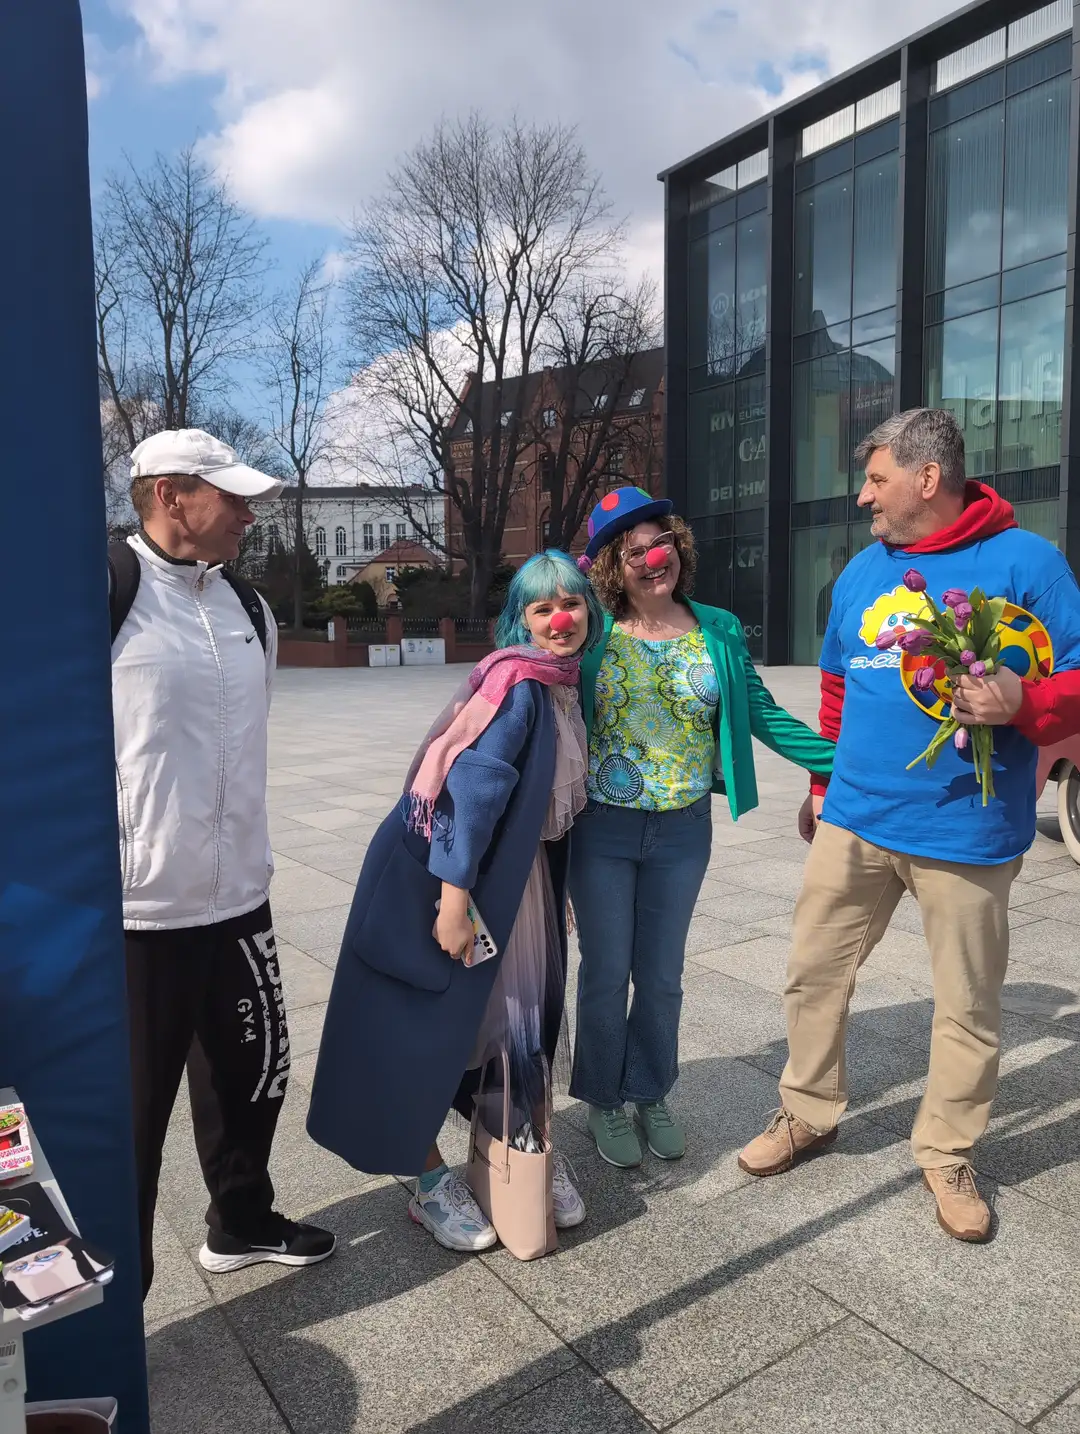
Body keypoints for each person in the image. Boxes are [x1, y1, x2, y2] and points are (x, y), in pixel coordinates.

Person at [738, 408, 1080, 1242]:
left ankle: (947, 1151)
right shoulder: (863, 570)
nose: (863, 496)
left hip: (966, 833)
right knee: (813, 973)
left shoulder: (1027, 562)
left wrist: (1023, 700)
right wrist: (822, 783)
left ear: (928, 479)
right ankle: (808, 1111)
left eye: (876, 479)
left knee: (967, 1004)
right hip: (856, 819)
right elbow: (836, 686)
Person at [307, 550, 605, 1253]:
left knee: (511, 1024)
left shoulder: (563, 684)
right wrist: (453, 900)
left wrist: (550, 893)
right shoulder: (521, 686)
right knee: (425, 1027)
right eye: (542, 608)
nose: (560, 619)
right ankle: (429, 1177)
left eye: (571, 603)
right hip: (449, 875)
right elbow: (472, 793)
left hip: (513, 879)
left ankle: (521, 1152)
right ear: (521, 620)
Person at [112, 427, 336, 1295]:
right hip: (138, 910)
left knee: (253, 1076)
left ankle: (241, 1223)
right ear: (170, 495)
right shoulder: (106, 589)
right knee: (131, 1118)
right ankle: (120, 1300)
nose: (249, 513)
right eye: (231, 496)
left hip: (240, 895)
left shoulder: (249, 608)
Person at [570, 487, 836, 1168]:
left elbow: (762, 712)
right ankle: (602, 1097)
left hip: (684, 829)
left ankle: (649, 1090)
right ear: (612, 565)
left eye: (660, 543)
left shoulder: (717, 627)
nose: (652, 559)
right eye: (633, 551)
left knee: (661, 976)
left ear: (678, 546)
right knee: (606, 973)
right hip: (601, 827)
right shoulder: (593, 630)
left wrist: (841, 764)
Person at [816, 546, 848, 637]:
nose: (841, 566)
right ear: (832, 564)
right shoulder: (824, 593)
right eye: (838, 562)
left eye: (843, 562)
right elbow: (820, 626)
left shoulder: (854, 590)